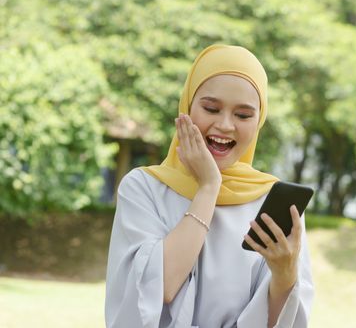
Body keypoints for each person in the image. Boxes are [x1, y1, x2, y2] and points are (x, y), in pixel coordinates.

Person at [105, 45, 314, 328]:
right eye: (211, 108)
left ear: (259, 121)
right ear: (187, 106)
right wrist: (208, 187)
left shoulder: (270, 202)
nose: (225, 125)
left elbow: (284, 322)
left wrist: (285, 275)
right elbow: (159, 288)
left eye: (243, 115)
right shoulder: (144, 188)